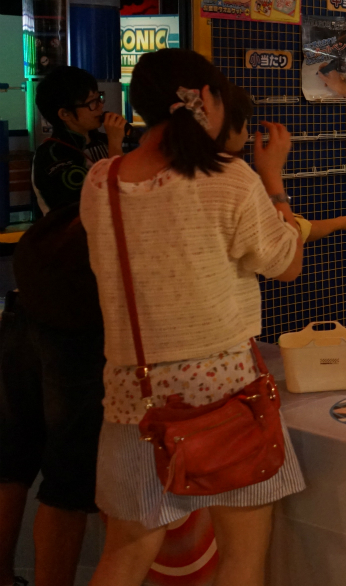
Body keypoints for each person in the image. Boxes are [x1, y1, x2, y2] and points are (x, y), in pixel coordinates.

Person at [78, 49, 305, 586]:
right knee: (242, 558)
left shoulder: (101, 181)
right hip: (229, 395)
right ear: (204, 97)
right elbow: (287, 264)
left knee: (124, 555)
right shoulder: (231, 178)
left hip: (136, 398)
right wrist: (273, 179)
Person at [0, 202, 105, 586]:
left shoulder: (104, 179)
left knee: (10, 460)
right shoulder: (173, 184)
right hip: (78, 327)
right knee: (69, 483)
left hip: (28, 303)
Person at [218, 83, 346, 243]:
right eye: (245, 125)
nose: (247, 135)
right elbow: (287, 243)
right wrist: (271, 173)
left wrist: (344, 222)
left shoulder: (229, 179)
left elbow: (297, 229)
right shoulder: (230, 185)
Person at [31, 66, 126, 214]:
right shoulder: (52, 155)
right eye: (91, 102)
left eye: (99, 98)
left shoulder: (102, 140)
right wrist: (115, 146)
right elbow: (97, 204)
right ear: (65, 114)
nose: (100, 106)